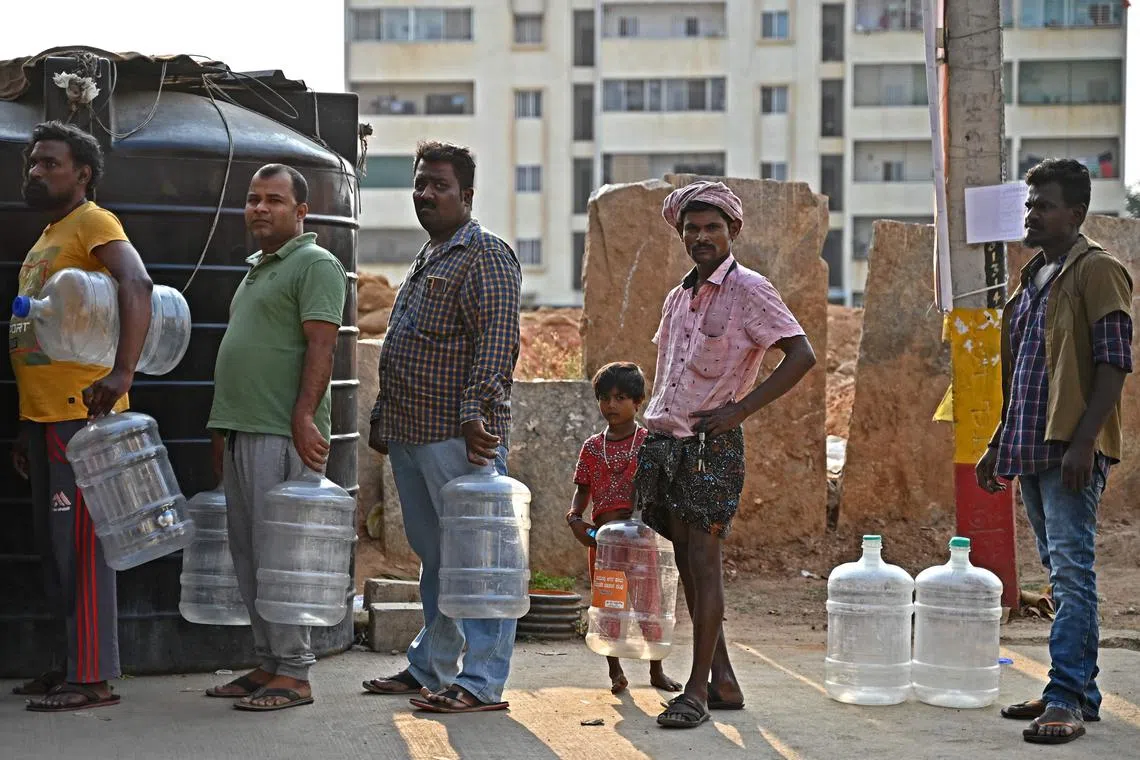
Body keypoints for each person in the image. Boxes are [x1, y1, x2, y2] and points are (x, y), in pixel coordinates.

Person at [637, 180, 816, 728]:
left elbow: (800, 354)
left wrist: (740, 409)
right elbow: (669, 374)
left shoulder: (750, 290)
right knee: (688, 566)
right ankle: (725, 681)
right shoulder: (677, 296)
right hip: (665, 444)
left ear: (733, 230)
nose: (701, 236)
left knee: (704, 565)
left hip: (712, 447)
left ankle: (695, 692)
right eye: (691, 228)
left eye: (712, 227)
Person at [976, 158, 1132, 746]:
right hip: (1029, 446)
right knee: (1060, 573)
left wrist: (1084, 442)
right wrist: (997, 443)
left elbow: (1114, 363)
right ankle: (1074, 690)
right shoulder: (1033, 278)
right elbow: (1019, 374)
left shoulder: (1099, 272)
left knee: (1072, 573)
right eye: (1028, 204)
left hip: (1070, 449)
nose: (1031, 214)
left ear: (1077, 213)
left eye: (1043, 205)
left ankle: (1066, 696)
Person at [363, 140, 522, 714]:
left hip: (459, 438)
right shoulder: (431, 255)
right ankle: (431, 666)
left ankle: (481, 682)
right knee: (437, 559)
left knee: (478, 563)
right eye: (420, 184)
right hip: (412, 433)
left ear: (467, 195)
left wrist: (478, 411)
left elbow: (497, 342)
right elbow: (406, 343)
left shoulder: (485, 255)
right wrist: (384, 418)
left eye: (439, 186)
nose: (425, 194)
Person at [10, 121, 154, 712]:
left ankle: (92, 676)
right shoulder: (50, 235)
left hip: (83, 413)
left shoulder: (95, 222)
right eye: (34, 163)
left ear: (83, 173)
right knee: (55, 547)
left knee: (85, 549)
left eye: (50, 163)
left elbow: (137, 283)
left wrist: (123, 374)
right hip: (46, 417)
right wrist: (27, 421)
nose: (37, 172)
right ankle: (67, 663)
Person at [205, 163, 348, 712]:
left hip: (281, 435)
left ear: (301, 212)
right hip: (244, 430)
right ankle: (268, 662)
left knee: (282, 559)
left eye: (274, 200)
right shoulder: (255, 271)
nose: (260, 208)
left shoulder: (315, 264)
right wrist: (222, 428)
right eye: (253, 199)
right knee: (248, 556)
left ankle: (295, 672)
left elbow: (322, 347)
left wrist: (305, 416)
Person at [566, 362, 682, 696]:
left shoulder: (648, 442)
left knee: (649, 605)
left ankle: (656, 669)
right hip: (603, 544)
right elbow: (582, 488)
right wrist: (575, 516)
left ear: (638, 401)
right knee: (609, 605)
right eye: (604, 398)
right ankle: (615, 672)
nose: (611, 406)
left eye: (620, 398)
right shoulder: (591, 447)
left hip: (643, 541)